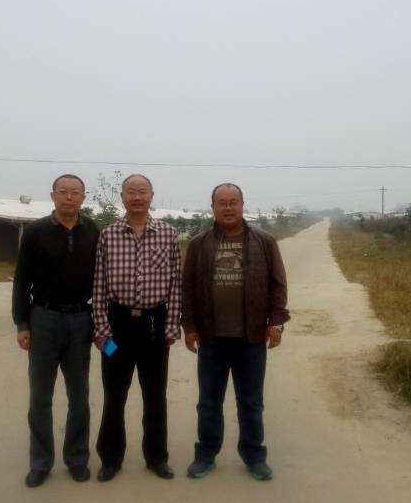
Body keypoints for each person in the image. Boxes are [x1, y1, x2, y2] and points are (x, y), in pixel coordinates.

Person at [182, 183, 289, 481]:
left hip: (251, 338)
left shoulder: (264, 241)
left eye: (233, 202)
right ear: (213, 207)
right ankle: (206, 454)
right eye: (222, 202)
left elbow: (278, 284)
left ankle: (254, 456)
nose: (228, 208)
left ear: (242, 205)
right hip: (211, 339)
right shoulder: (199, 244)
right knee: (208, 402)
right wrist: (189, 326)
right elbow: (187, 288)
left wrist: (276, 321)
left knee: (251, 402)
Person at [91, 174, 182, 482]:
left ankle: (157, 458)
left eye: (142, 191)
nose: (137, 197)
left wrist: (171, 327)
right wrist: (102, 330)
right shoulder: (108, 235)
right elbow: (99, 285)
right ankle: (110, 459)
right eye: (131, 191)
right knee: (114, 395)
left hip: (154, 326)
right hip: (116, 327)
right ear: (123, 196)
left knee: (155, 395)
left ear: (152, 195)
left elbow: (176, 284)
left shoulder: (168, 234)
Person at [12, 174, 100, 487]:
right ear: (53, 196)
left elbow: (101, 280)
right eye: (63, 191)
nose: (69, 197)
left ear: (83, 198)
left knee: (79, 396)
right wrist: (22, 323)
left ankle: (77, 459)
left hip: (80, 319)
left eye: (75, 192)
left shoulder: (93, 231)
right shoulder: (35, 232)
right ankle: (41, 462)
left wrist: (100, 323)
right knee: (40, 397)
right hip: (43, 319)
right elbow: (22, 279)